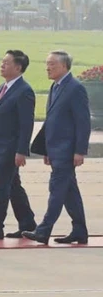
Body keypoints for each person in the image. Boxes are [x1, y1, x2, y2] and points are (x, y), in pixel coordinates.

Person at [24, 51, 90, 245]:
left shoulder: (75, 88)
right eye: (47, 63)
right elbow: (51, 121)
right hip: (55, 150)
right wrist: (46, 149)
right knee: (70, 192)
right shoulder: (55, 87)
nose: (48, 67)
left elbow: (83, 122)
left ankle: (43, 231)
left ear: (64, 66)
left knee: (57, 190)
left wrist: (80, 151)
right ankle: (80, 231)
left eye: (52, 64)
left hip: (67, 151)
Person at [0, 50, 37, 240]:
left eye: (6, 62)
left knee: (1, 186)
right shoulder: (1, 88)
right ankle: (28, 223)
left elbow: (26, 124)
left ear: (18, 67)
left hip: (11, 148)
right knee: (13, 186)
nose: (2, 65)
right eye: (2, 61)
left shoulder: (24, 91)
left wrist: (21, 151)